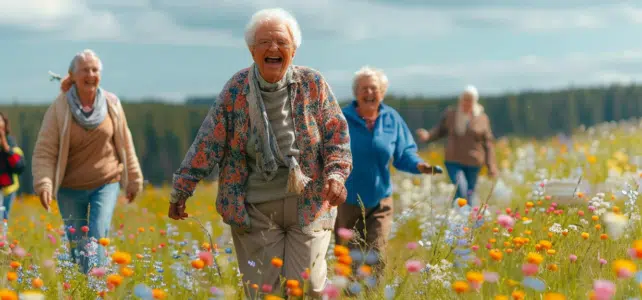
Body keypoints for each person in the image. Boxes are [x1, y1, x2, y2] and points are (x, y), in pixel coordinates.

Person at [169, 8, 352, 298]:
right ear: (252, 50)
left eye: (281, 41)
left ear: (294, 50)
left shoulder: (312, 84)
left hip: (310, 202)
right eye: (264, 42)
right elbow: (208, 143)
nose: (273, 48)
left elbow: (336, 136)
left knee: (311, 288)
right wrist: (181, 190)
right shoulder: (236, 89)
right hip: (254, 207)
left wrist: (336, 175)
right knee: (265, 292)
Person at [32, 49, 143, 274]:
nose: (90, 74)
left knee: (97, 235)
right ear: (72, 76)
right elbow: (45, 151)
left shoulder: (112, 103)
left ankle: (97, 286)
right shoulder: (59, 108)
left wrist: (133, 179)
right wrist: (44, 183)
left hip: (106, 181)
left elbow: (125, 143)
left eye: (94, 69)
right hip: (70, 188)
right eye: (85, 70)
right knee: (78, 246)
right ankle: (85, 286)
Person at [335, 66, 442, 284]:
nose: (369, 93)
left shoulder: (391, 119)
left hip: (379, 201)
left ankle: (372, 296)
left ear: (382, 92)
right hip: (345, 200)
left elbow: (404, 153)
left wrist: (419, 165)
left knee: (376, 254)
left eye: (374, 88)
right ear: (356, 93)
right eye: (364, 88)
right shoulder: (341, 118)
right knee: (348, 257)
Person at [416, 85, 497, 206]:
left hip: (474, 162)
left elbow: (488, 144)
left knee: (470, 193)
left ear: (474, 101)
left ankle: (469, 220)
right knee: (461, 187)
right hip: (453, 160)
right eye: (465, 99)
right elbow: (440, 130)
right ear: (460, 99)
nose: (466, 103)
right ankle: (458, 218)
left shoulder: (482, 118)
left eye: (470, 100)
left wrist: (491, 166)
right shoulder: (451, 114)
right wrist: (427, 136)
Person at [0, 113, 25, 221]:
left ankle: (2, 237)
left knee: (3, 220)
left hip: (8, 188)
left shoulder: (11, 142)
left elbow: (19, 166)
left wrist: (7, 148)